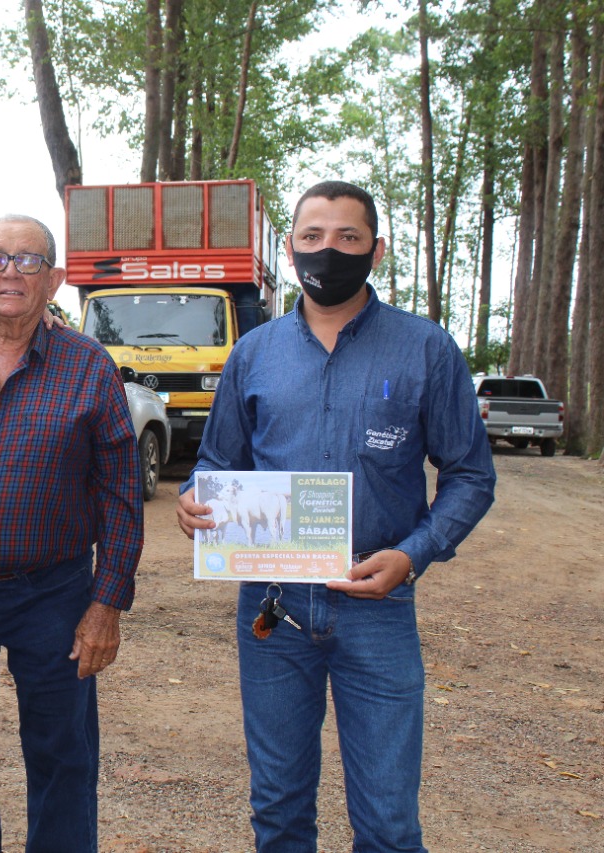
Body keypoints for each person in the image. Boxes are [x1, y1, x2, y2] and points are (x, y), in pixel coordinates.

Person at [176, 180, 496, 852]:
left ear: (376, 250)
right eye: (313, 237)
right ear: (291, 250)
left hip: (378, 606)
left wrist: (414, 552)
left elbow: (470, 476)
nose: (329, 250)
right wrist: (196, 501)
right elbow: (218, 463)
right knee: (278, 811)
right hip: (273, 606)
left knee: (388, 823)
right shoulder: (253, 353)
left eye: (348, 237)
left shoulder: (425, 349)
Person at [0, 214, 144, 852]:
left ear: (54, 280)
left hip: (51, 596)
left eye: (29, 260)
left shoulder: (89, 366)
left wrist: (107, 604)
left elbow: (122, 496)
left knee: (61, 756)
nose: (11, 272)